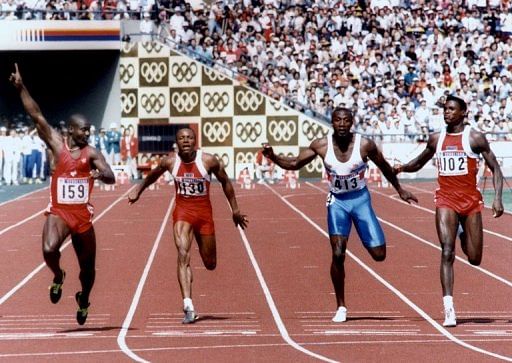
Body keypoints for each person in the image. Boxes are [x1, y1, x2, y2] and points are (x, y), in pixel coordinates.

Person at [262, 107, 418, 323]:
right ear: (332, 122)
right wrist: (273, 157)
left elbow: (384, 166)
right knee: (337, 253)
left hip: (360, 200)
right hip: (337, 202)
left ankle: (366, 236)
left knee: (379, 254)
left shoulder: (364, 144)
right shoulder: (321, 145)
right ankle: (341, 306)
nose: (342, 124)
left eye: (346, 120)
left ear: (352, 122)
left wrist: (400, 189)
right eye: (338, 120)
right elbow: (294, 163)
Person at [9, 64, 116, 325]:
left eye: (89, 130)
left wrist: (99, 174)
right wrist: (21, 87)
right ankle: (58, 276)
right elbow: (37, 116)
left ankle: (84, 299)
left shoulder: (91, 153)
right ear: (71, 130)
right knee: (48, 249)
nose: (88, 133)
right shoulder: (57, 145)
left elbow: (110, 175)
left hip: (82, 216)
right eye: (84, 130)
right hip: (59, 211)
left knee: (88, 270)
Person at [393, 95, 504, 327]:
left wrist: (498, 199)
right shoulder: (436, 138)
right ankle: (449, 308)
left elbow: (495, 167)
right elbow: (419, 162)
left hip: (471, 201)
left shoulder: (474, 138)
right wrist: (402, 167)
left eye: (452, 109)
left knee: (475, 258)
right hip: (446, 199)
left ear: (464, 112)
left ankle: (464, 234)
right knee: (446, 251)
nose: (447, 113)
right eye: (445, 109)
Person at [128, 127, 248, 324]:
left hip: (204, 215)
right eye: (182, 138)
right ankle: (188, 305)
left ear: (195, 141)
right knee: (183, 253)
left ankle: (190, 280)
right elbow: (152, 176)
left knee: (210, 263)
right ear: (177, 142)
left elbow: (226, 182)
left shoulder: (208, 161)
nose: (185, 141)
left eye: (189, 138)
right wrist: (138, 191)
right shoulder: (170, 162)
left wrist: (234, 210)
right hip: (183, 213)